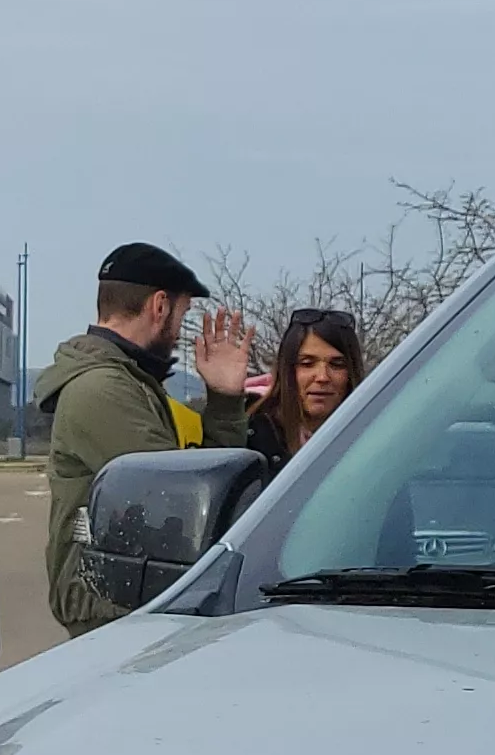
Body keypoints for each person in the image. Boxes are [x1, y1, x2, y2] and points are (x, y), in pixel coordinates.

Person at [38, 242, 257, 636]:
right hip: (110, 606)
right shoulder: (102, 388)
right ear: (159, 306)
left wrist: (224, 399)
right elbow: (179, 505)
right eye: (182, 315)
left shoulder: (129, 382)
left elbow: (194, 480)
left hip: (127, 596)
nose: (178, 335)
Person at [245, 307, 364, 463]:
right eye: (307, 363)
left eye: (337, 364)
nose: (322, 377)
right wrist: (224, 400)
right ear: (287, 370)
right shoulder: (250, 433)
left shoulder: (377, 436)